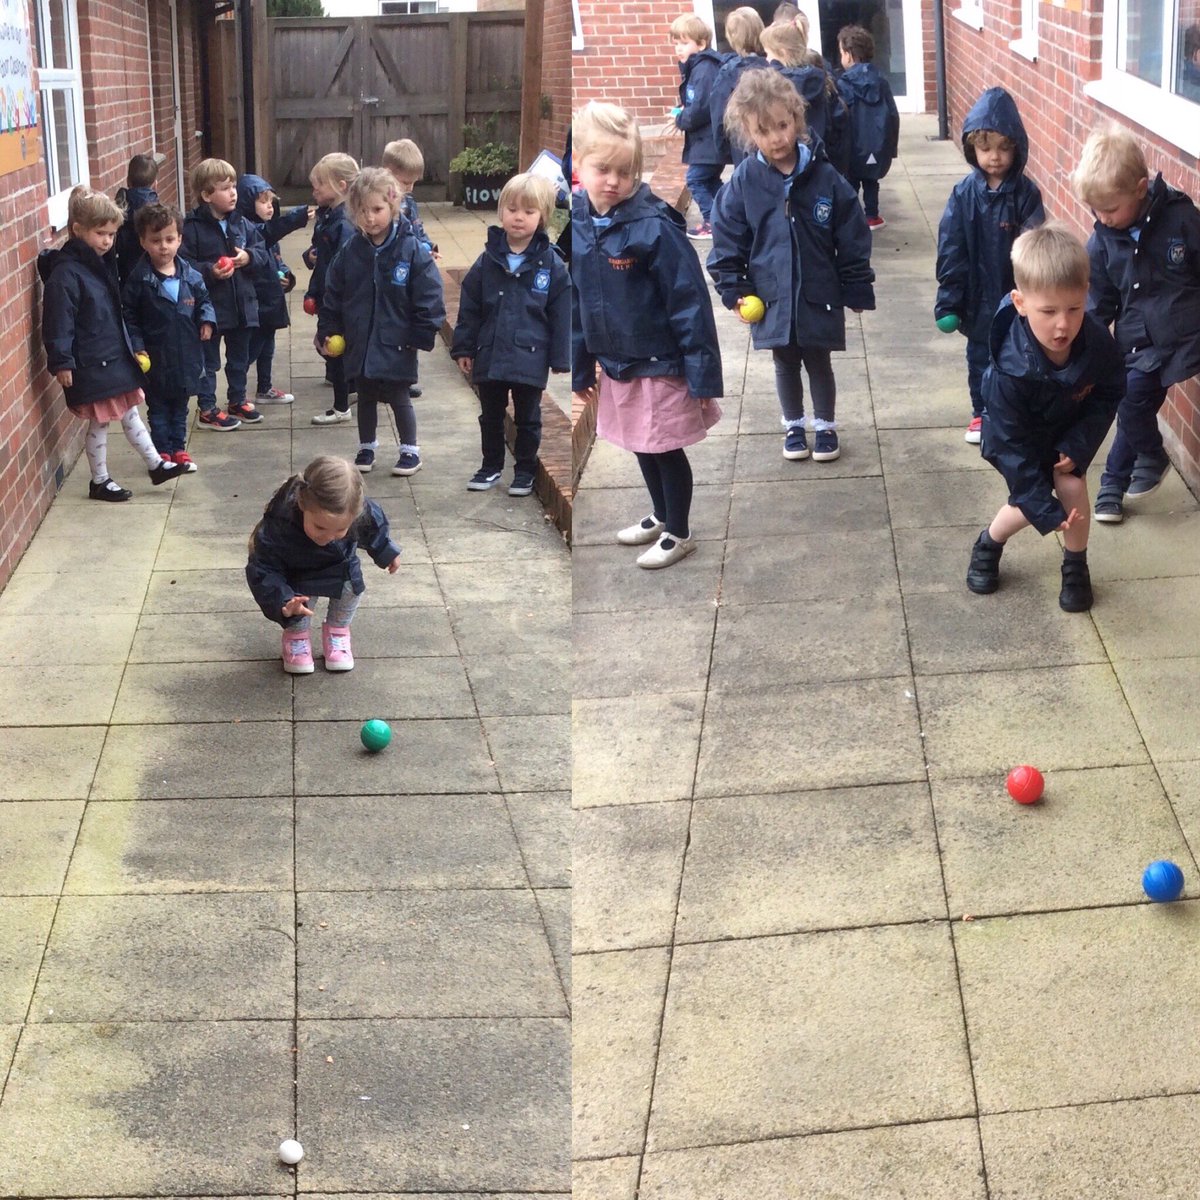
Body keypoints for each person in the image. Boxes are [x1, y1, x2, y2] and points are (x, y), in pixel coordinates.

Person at [571, 101, 723, 570]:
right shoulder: (577, 222)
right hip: (618, 362)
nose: (614, 181)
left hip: (661, 361)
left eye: (626, 171)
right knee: (641, 442)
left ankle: (679, 531)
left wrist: (700, 375)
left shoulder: (653, 227)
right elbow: (578, 298)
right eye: (603, 169)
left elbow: (690, 303)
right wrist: (580, 365)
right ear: (578, 167)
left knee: (664, 447)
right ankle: (660, 515)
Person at [709, 68, 873, 464]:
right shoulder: (746, 180)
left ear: (797, 120)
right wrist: (734, 289)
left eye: (783, 125)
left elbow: (851, 233)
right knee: (784, 362)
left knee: (819, 359)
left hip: (819, 290)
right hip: (770, 292)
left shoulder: (825, 176)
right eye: (764, 131)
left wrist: (855, 284)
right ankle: (794, 425)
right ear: (750, 134)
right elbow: (727, 236)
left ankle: (826, 426)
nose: (776, 138)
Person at [967, 223, 1123, 612]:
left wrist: (1079, 443)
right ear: (1020, 303)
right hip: (1017, 442)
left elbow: (1109, 392)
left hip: (1067, 430)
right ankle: (989, 541)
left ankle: (1075, 566)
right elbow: (1007, 444)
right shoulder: (1007, 371)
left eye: (1074, 309)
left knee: (1071, 485)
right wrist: (1041, 506)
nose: (1063, 324)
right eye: (1048, 311)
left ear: (1086, 294)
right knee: (1024, 506)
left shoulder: (1097, 342)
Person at [1072, 124, 1200, 525]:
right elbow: (1099, 305)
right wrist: (1086, 354)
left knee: (1131, 404)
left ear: (1141, 188)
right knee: (1130, 405)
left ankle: (1124, 473)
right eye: (1096, 210)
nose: (1103, 219)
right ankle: (1129, 471)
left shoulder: (1181, 219)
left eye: (1110, 209)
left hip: (1177, 339)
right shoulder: (1102, 243)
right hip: (1133, 342)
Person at [39, 186, 189, 500]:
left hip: (109, 356)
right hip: (92, 361)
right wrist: (62, 361)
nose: (108, 241)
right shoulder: (67, 274)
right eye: (101, 234)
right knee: (102, 422)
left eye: (112, 234)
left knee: (129, 412)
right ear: (77, 230)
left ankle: (154, 464)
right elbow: (58, 321)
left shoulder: (99, 265)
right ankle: (101, 480)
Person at [317, 167, 446, 477]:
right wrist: (329, 329)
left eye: (377, 210)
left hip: (397, 339)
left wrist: (422, 331)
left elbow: (429, 292)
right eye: (362, 211)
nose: (369, 218)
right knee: (366, 396)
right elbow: (333, 292)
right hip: (360, 340)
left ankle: (410, 450)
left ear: (393, 207)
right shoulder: (352, 251)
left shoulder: (410, 249)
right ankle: (367, 445)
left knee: (400, 397)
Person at [935, 87, 1046, 444]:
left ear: (1017, 148)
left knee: (1019, 359)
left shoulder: (1026, 195)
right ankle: (981, 413)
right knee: (980, 358)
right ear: (972, 149)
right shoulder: (963, 194)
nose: (994, 157)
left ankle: (1013, 414)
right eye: (985, 149)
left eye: (1003, 147)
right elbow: (952, 250)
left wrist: (1036, 293)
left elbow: (1035, 248)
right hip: (977, 298)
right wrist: (948, 300)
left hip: (1015, 297)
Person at [451, 173, 571, 496]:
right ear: (501, 211)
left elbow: (561, 314)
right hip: (491, 352)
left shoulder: (551, 266)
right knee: (490, 415)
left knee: (528, 417)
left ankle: (525, 470)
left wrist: (561, 357)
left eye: (529, 212)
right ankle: (490, 466)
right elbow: (470, 306)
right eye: (513, 209)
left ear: (542, 217)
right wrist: (464, 347)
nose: (519, 217)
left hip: (530, 357)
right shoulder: (486, 261)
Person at [246, 455, 401, 675]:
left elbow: (374, 528)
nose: (329, 536)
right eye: (319, 527)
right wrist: (282, 599)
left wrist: (386, 552)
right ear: (302, 504)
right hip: (299, 569)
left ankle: (337, 631)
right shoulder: (280, 524)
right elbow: (263, 568)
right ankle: (296, 637)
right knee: (300, 603)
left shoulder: (357, 510)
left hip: (341, 563)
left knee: (352, 589)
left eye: (340, 530)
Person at [121, 203, 217, 471]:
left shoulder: (191, 276)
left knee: (181, 408)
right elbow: (129, 317)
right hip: (156, 356)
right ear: (143, 242)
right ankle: (162, 450)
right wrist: (138, 348)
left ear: (179, 240)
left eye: (169, 239)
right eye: (155, 240)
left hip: (186, 354)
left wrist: (207, 319)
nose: (163, 246)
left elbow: (204, 300)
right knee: (158, 409)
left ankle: (179, 449)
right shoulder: (140, 280)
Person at [182, 158, 270, 431]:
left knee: (239, 357)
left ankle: (237, 399)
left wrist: (249, 257)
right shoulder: (192, 227)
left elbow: (263, 252)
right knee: (208, 360)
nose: (233, 193)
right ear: (207, 195)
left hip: (241, 302)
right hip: (211, 306)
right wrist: (210, 271)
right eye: (224, 188)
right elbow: (184, 265)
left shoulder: (241, 223)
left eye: (233, 186)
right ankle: (207, 408)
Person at [236, 173, 312, 405]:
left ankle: (264, 388)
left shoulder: (266, 229)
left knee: (268, 347)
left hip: (271, 299)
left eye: (271, 201)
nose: (269, 206)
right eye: (263, 201)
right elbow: (268, 237)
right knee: (252, 350)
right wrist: (295, 218)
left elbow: (276, 259)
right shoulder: (248, 231)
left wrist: (286, 276)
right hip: (258, 301)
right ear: (248, 203)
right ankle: (236, 395)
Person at [305, 152, 360, 427]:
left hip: (340, 298)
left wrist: (328, 297)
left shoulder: (345, 223)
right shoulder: (329, 216)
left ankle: (341, 406)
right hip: (329, 294)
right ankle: (352, 388)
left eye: (319, 184)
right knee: (332, 347)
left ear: (340, 185)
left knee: (333, 348)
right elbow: (321, 255)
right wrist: (311, 257)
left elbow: (340, 266)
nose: (314, 189)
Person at [381, 137, 437, 401]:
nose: (410, 187)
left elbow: (417, 229)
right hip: (391, 273)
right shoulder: (379, 205)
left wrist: (428, 246)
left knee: (409, 324)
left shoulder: (409, 202)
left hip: (411, 270)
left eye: (414, 182)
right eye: (405, 182)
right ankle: (382, 374)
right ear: (389, 174)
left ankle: (405, 377)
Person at [760, 20, 846, 175]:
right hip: (820, 161)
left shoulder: (777, 85)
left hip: (788, 163)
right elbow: (836, 123)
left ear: (782, 52)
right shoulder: (820, 78)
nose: (766, 60)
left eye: (768, 54)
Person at [835, 24, 899, 229]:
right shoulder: (881, 81)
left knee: (851, 181)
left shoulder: (843, 84)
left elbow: (839, 116)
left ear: (848, 54)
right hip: (877, 144)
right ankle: (872, 216)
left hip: (853, 145)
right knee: (871, 181)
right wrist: (891, 146)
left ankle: (852, 218)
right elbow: (893, 114)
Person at [669, 14, 725, 240]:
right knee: (710, 181)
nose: (678, 49)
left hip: (709, 142)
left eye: (684, 43)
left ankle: (714, 222)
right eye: (675, 44)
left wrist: (681, 119)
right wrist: (680, 110)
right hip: (705, 142)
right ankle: (728, 213)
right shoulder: (696, 68)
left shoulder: (704, 69)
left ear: (701, 44)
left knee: (695, 179)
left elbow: (701, 108)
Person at [709, 7, 769, 169]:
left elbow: (718, 117)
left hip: (742, 150)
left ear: (731, 37)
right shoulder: (773, 67)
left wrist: (723, 150)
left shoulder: (728, 73)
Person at [114, 153, 159, 286]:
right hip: (153, 272)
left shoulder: (120, 206)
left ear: (128, 181)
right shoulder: (157, 211)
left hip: (126, 271)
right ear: (155, 184)